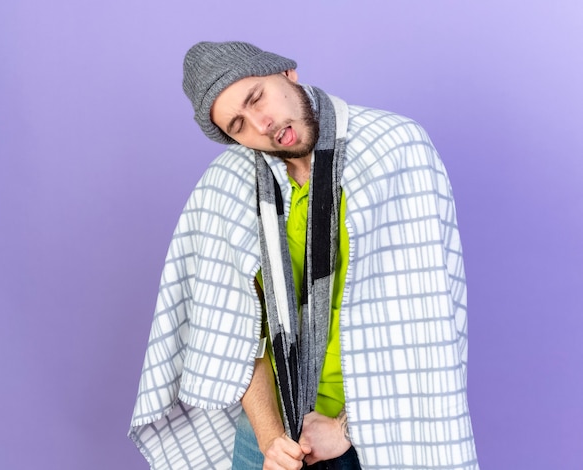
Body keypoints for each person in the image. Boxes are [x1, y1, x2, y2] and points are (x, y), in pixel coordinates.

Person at [129, 41, 479, 470]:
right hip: (270, 436)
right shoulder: (228, 184)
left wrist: (345, 430)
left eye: (256, 97)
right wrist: (273, 439)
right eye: (238, 124)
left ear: (288, 74)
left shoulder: (395, 148)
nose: (262, 123)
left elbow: (430, 321)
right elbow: (238, 330)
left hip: (379, 432)